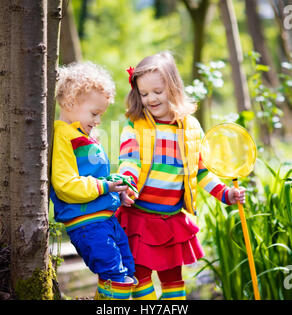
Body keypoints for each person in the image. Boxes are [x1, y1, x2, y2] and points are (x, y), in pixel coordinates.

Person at [116, 51, 245, 300]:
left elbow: (201, 172)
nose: (150, 99)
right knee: (138, 276)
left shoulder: (191, 128)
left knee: (173, 280)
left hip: (171, 219)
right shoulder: (136, 125)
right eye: (144, 94)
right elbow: (128, 161)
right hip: (139, 217)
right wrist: (126, 186)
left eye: (157, 91)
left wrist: (226, 194)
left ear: (173, 88)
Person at [50, 61, 137, 300]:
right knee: (115, 275)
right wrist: (104, 186)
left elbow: (94, 178)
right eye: (94, 114)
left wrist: (115, 187)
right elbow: (66, 185)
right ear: (70, 102)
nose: (98, 121)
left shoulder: (83, 136)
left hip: (106, 220)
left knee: (127, 269)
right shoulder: (63, 137)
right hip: (87, 223)